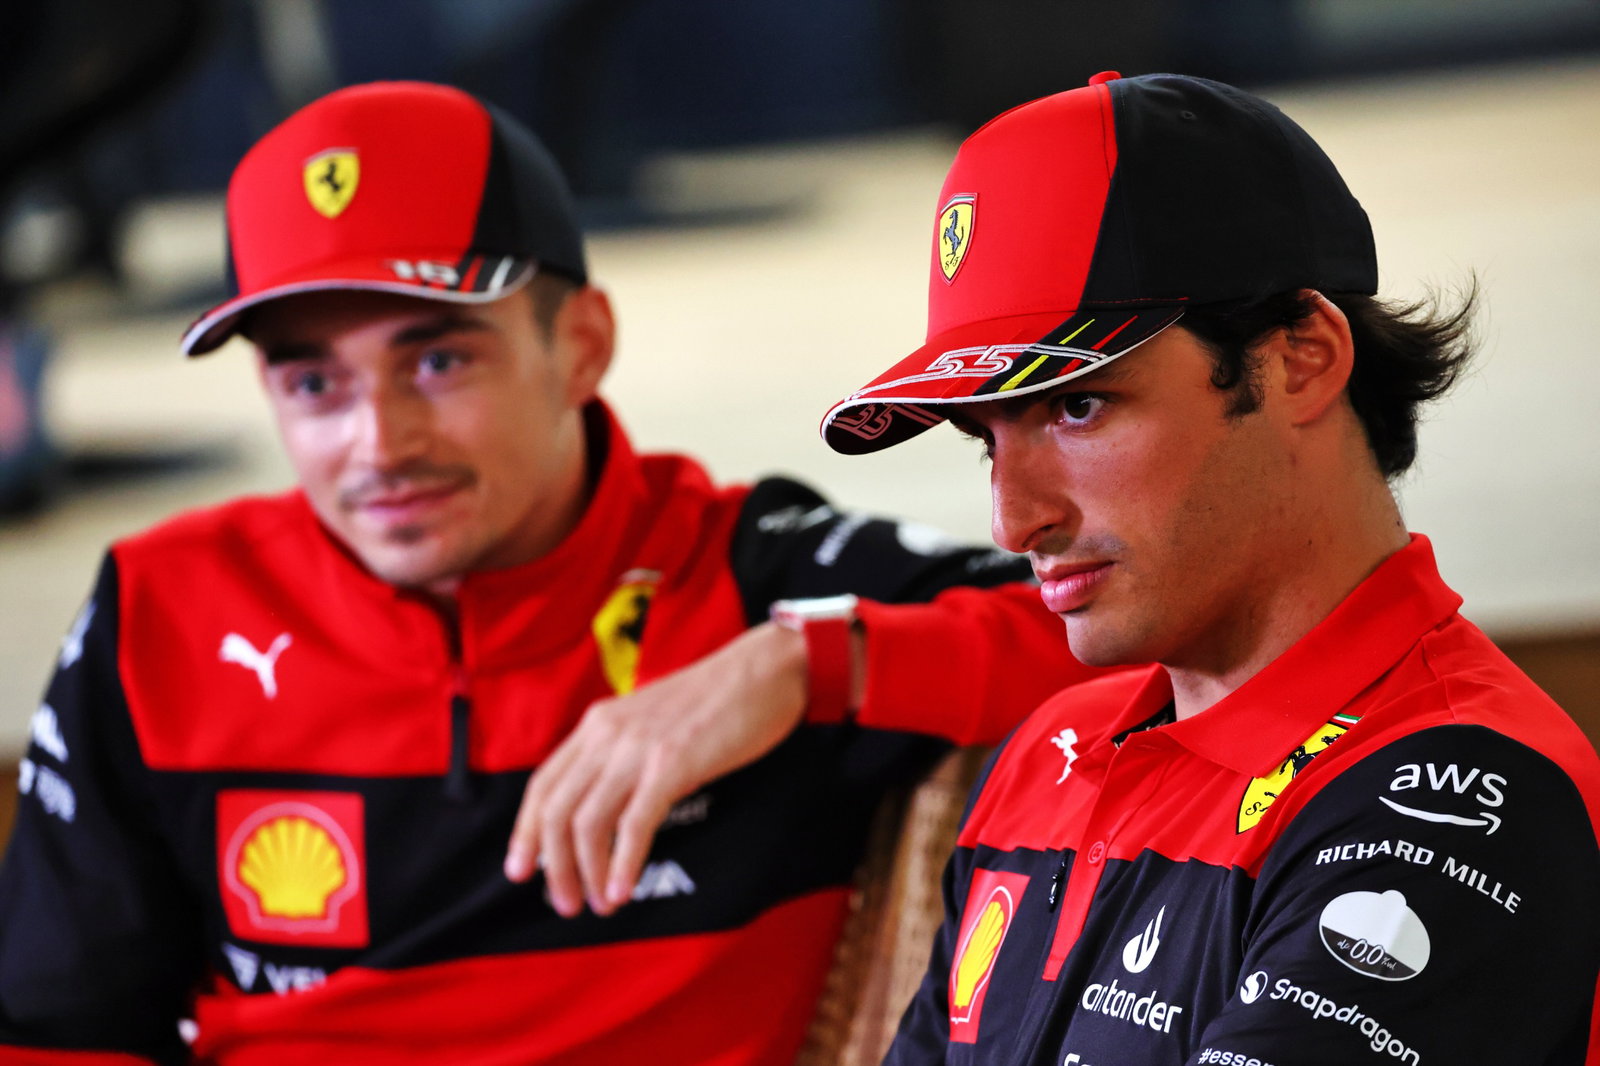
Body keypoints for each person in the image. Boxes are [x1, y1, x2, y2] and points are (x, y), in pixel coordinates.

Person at [0, 81, 1099, 1065]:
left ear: (580, 343)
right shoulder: (160, 612)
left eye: (438, 360)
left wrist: (802, 665)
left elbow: (1150, 641)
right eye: (312, 383)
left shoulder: (753, 571)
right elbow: (55, 1032)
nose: (378, 443)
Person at [819, 71, 1600, 1065]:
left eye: (1077, 406)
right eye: (987, 438)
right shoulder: (1051, 750)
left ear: (1302, 360)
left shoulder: (1459, 800)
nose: (1016, 518)